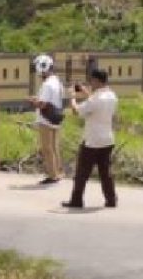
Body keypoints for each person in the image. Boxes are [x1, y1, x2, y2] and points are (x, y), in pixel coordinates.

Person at [62, 68, 118, 209]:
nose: (90, 83)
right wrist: (86, 93)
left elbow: (76, 110)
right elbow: (94, 102)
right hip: (107, 139)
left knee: (82, 173)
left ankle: (76, 200)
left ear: (97, 81)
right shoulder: (112, 96)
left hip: (92, 140)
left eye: (92, 80)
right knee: (105, 172)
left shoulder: (95, 99)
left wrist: (72, 96)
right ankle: (111, 199)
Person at [28, 54, 64, 184]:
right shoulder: (57, 82)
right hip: (56, 116)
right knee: (54, 147)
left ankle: (52, 175)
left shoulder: (47, 84)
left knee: (47, 148)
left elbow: (42, 103)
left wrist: (32, 101)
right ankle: (57, 172)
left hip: (45, 118)